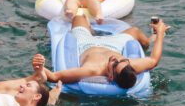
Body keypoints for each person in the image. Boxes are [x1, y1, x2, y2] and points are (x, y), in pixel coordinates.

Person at [33, 13, 168, 89]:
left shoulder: (92, 70)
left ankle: (89, 30)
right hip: (113, 46)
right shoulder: (129, 66)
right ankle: (150, 39)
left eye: (115, 65)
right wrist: (160, 33)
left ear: (110, 77)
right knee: (135, 31)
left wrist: (39, 66)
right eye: (123, 60)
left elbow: (54, 77)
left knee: (78, 17)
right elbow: (154, 60)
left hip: (85, 44)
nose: (116, 60)